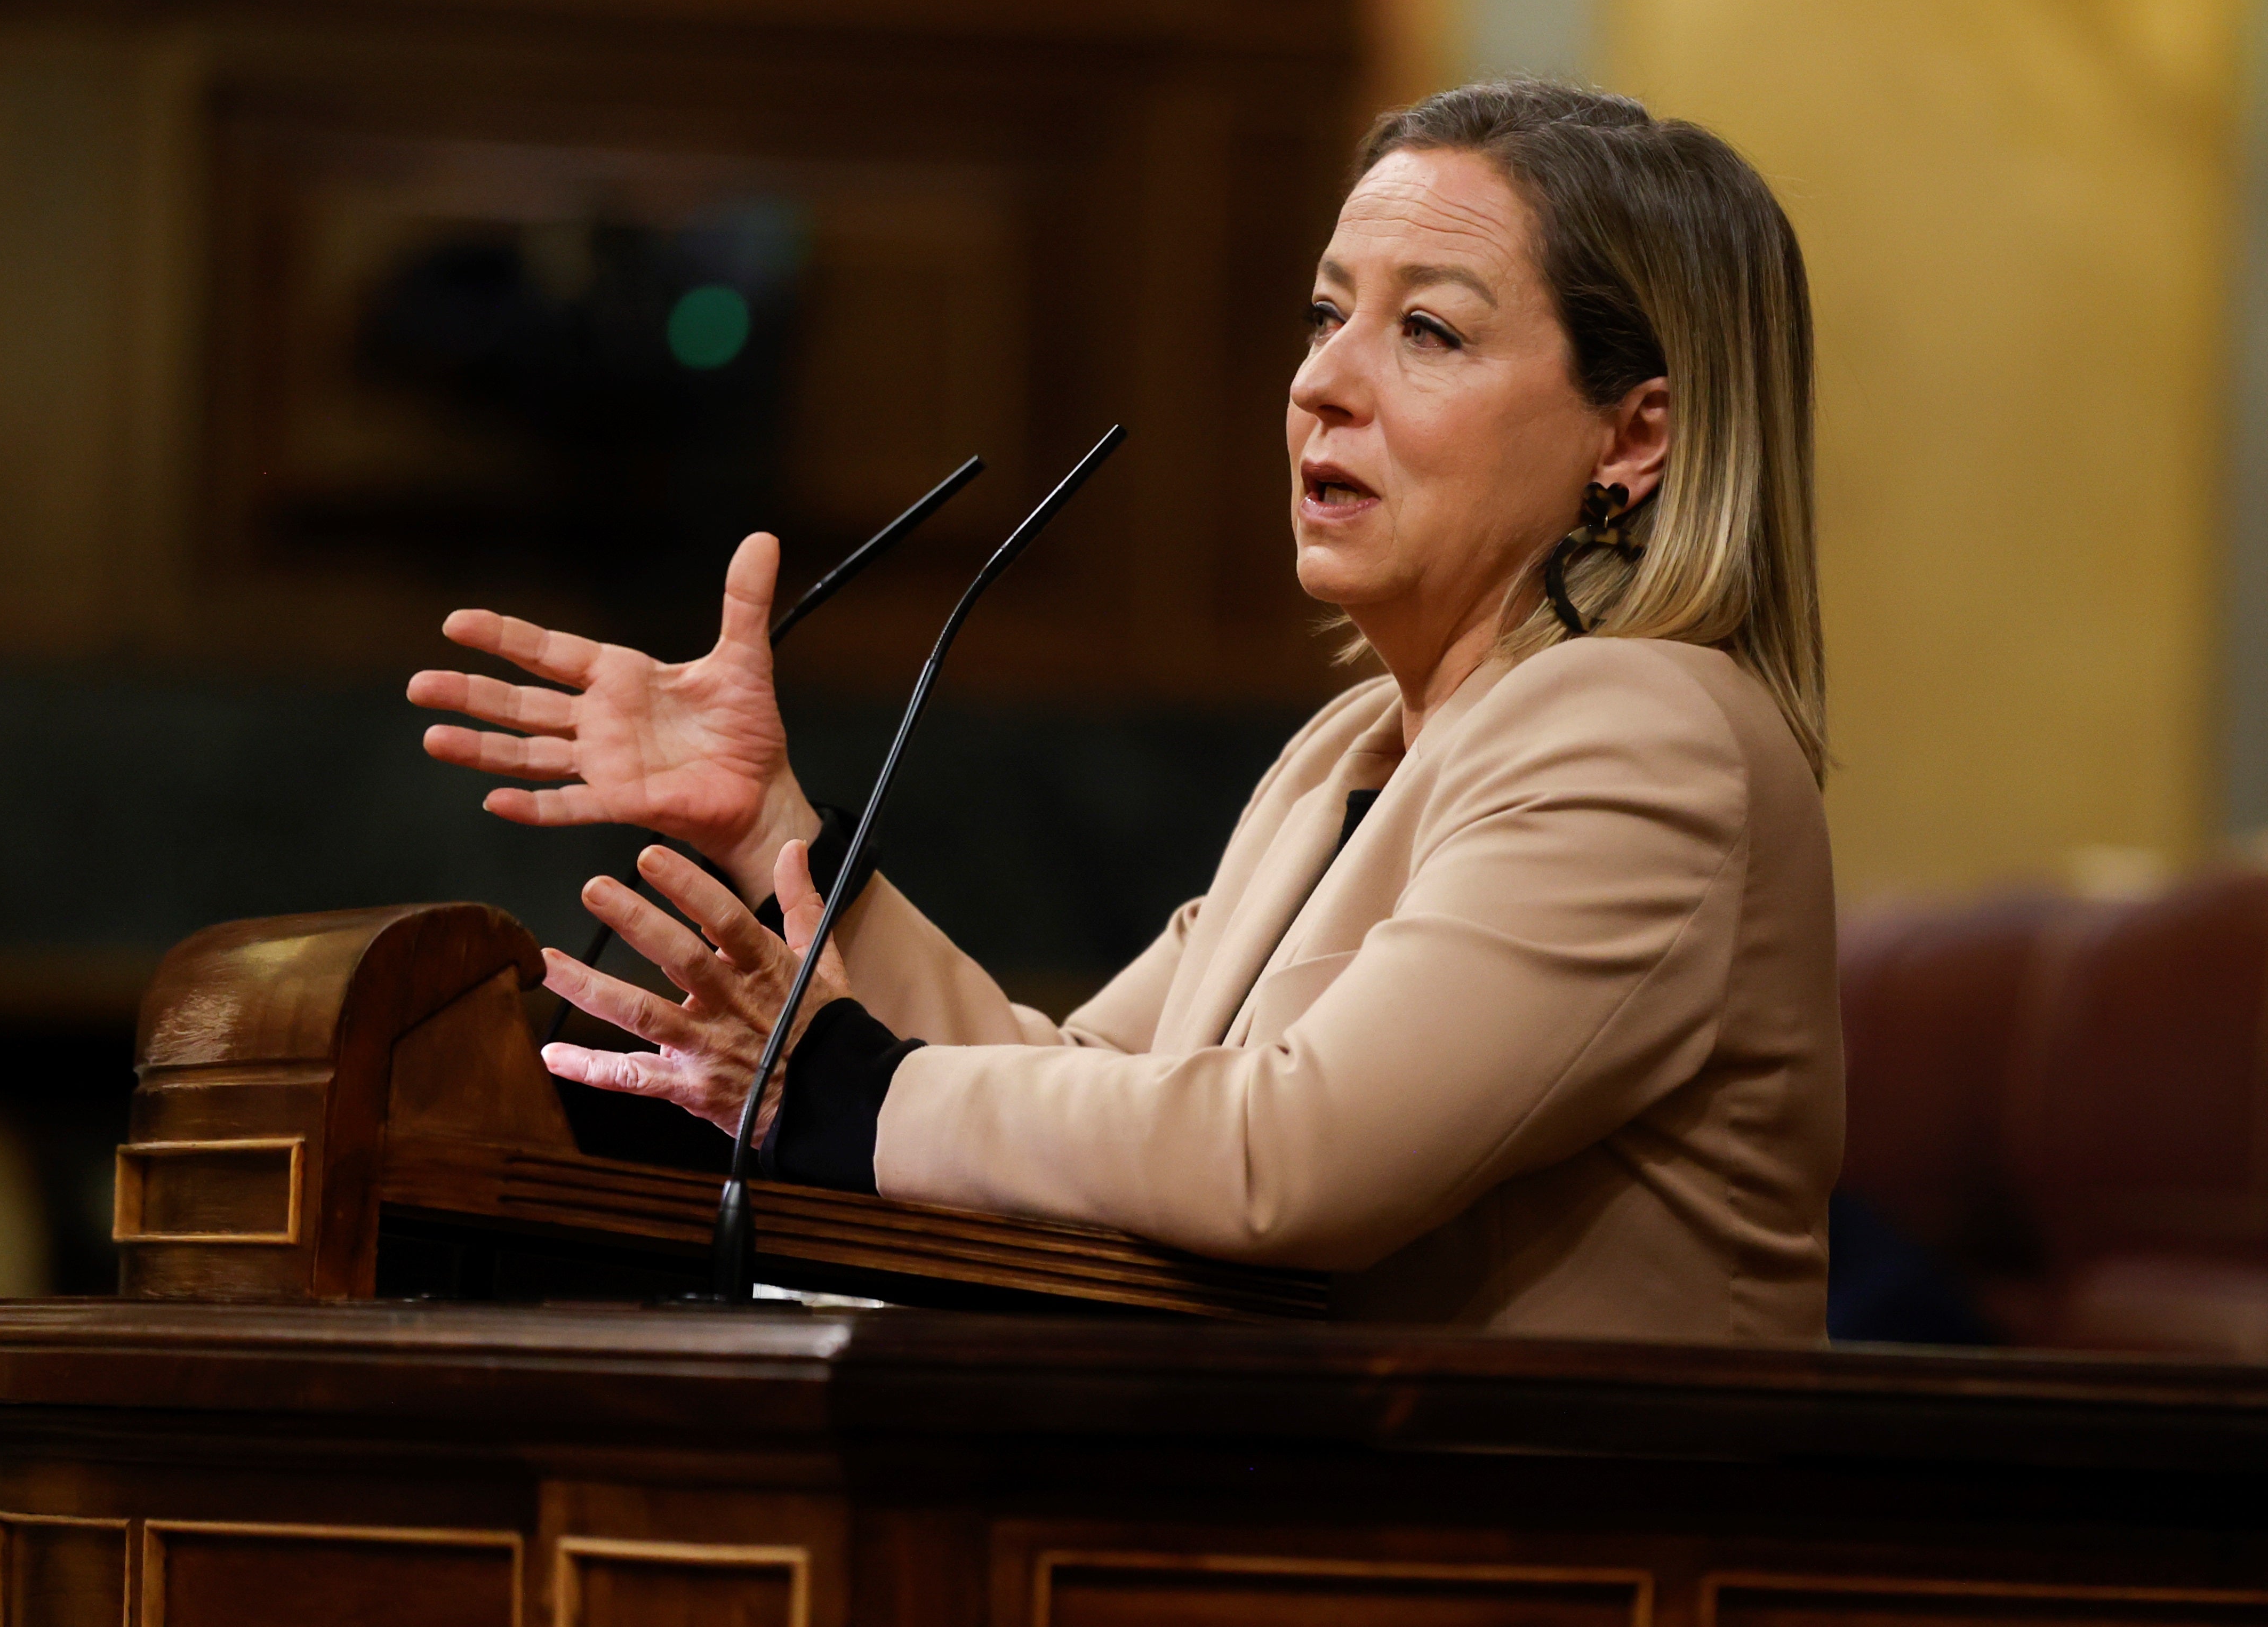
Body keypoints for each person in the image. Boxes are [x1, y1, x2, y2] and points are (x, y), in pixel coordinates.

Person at [406, 81, 1841, 1340]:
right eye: (1328, 315)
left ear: (1633, 434)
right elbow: (1085, 1097)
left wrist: (831, 1097)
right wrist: (775, 831)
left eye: (1430, 334)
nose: (1321, 386)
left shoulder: (1649, 733)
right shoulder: (1350, 753)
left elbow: (1293, 1160)